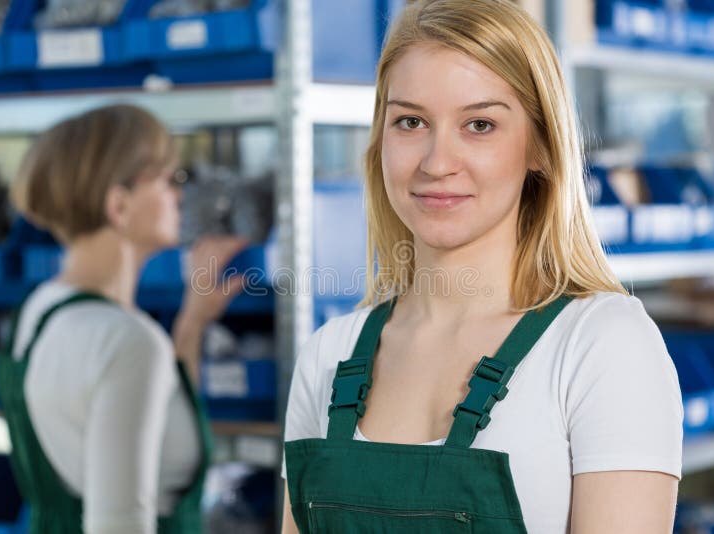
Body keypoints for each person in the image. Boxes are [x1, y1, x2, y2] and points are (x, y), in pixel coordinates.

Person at [281, 0, 683, 532]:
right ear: (380, 140)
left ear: (540, 146)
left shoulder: (602, 346)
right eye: (410, 121)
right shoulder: (329, 356)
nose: (436, 161)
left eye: (479, 124)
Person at [0, 104, 247, 533]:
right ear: (119, 204)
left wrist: (192, 322)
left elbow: (148, 423)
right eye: (168, 180)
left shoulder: (36, 313)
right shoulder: (128, 341)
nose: (180, 194)